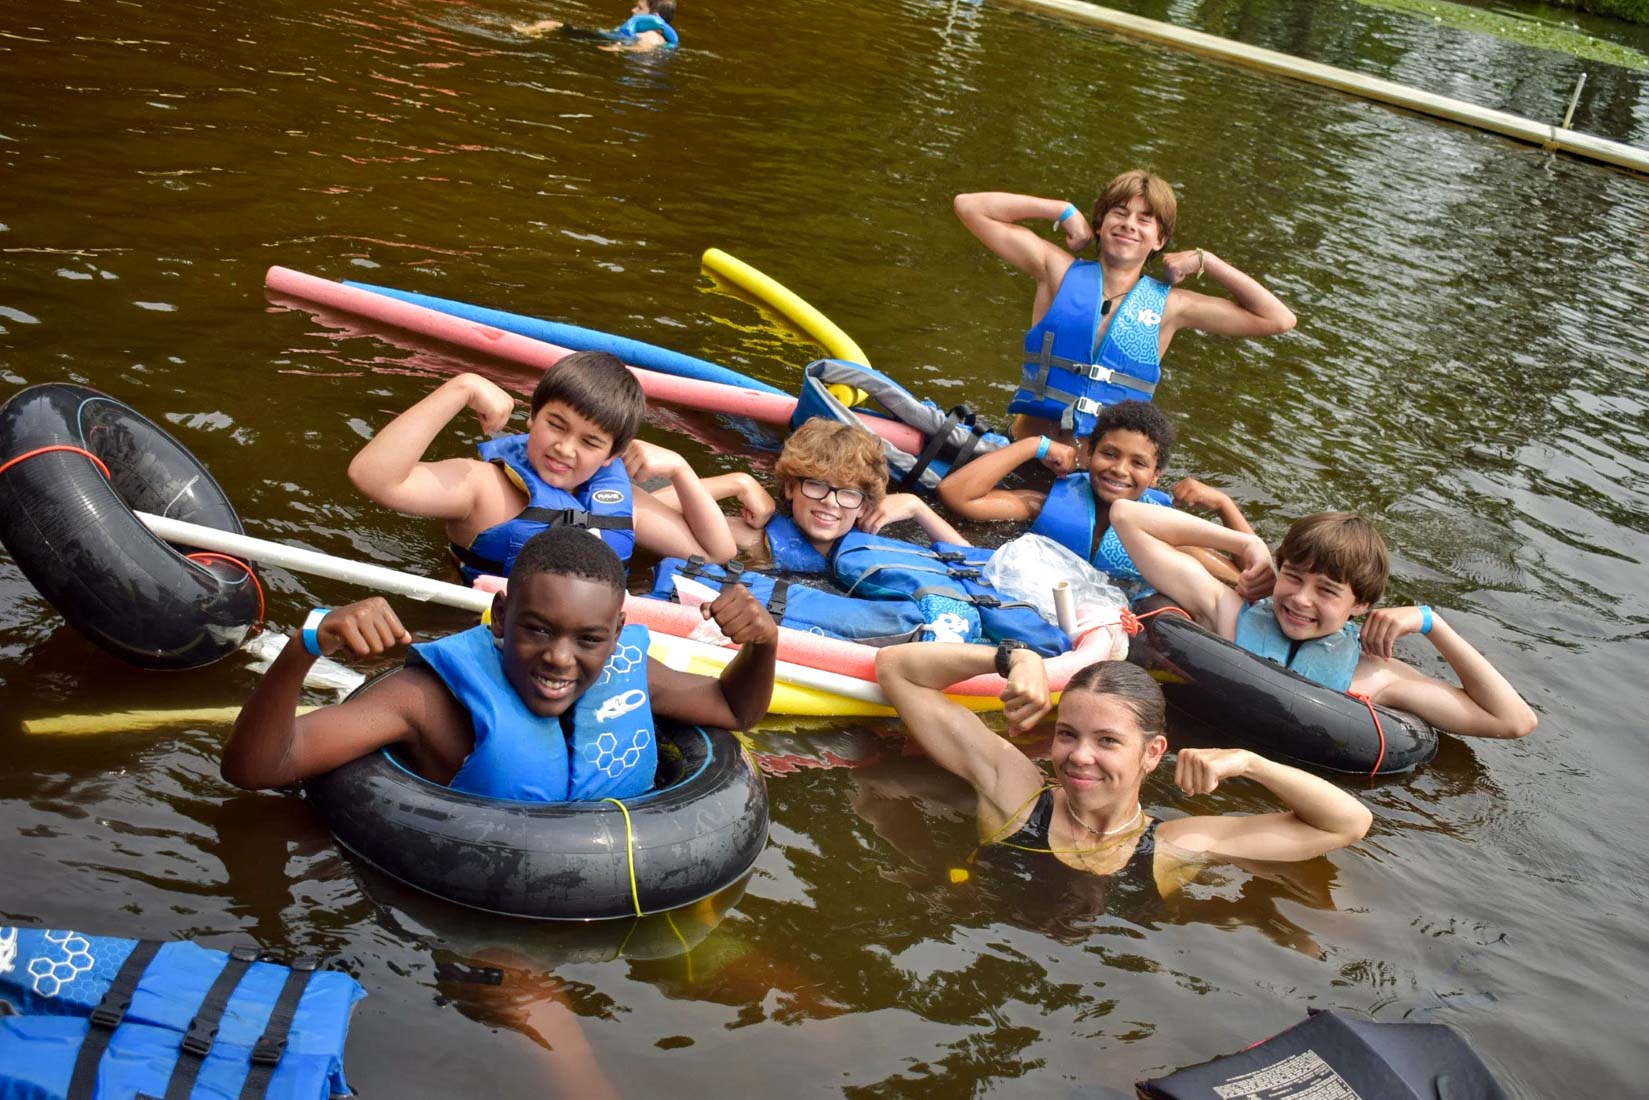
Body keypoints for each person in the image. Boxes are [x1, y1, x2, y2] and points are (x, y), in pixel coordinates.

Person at [222, 527, 779, 796]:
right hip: (479, 915)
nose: (560, 659)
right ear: (500, 614)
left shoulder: (629, 676)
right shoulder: (422, 700)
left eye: (588, 640)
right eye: (537, 629)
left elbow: (735, 707)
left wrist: (764, 643)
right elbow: (257, 770)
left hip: (613, 894)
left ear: (616, 636)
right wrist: (306, 645)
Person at [873, 642, 1372, 891]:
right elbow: (897, 668)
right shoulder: (1015, 794)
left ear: (1153, 753)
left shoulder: (1174, 848)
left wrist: (1252, 763)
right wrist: (1014, 658)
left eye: (1107, 740)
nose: (1078, 756)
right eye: (1067, 733)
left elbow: (1349, 822)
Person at [1107, 501, 1539, 739]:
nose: (1300, 599)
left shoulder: (1375, 675)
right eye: (1292, 577)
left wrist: (1434, 624)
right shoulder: (1226, 609)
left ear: (1361, 605)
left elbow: (1514, 721)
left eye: (1327, 591)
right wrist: (1245, 541)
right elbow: (1127, 516)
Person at [647, 419, 1067, 654]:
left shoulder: (875, 538)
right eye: (815, 486)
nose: (829, 503)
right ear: (790, 487)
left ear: (865, 503)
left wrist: (920, 509)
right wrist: (736, 482)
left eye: (847, 493)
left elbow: (973, 572)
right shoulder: (755, 539)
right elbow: (643, 511)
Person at [954, 170, 1296, 441]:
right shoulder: (1055, 271)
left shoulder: (1172, 307)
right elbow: (969, 206)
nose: (1129, 224)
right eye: (1120, 212)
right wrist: (1060, 210)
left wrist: (1208, 261)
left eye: (1145, 219)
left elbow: (1278, 319)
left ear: (1159, 240)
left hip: (1099, 475)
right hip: (1023, 449)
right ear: (1100, 224)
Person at [346, 354, 739, 581]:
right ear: (532, 417)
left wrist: (683, 470)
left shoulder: (619, 501)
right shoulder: (481, 487)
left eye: (590, 442)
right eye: (556, 424)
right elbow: (373, 478)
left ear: (610, 458)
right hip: (481, 633)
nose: (565, 449)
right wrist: (460, 388)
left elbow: (716, 553)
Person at [936, 400, 1253, 592]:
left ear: (1156, 477)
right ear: (1087, 455)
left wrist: (1225, 505)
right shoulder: (1044, 505)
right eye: (1110, 454)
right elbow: (956, 494)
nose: (1119, 470)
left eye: (1138, 463)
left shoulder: (1170, 538)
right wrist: (1036, 446)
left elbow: (1248, 580)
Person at [515, 0, 679, 51]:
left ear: (654, 17)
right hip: (607, 39)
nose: (633, 10)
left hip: (606, 43)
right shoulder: (652, 34)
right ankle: (533, 32)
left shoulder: (652, 35)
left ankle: (526, 31)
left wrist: (620, 48)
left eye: (639, 7)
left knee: (553, 24)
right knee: (554, 26)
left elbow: (645, 47)